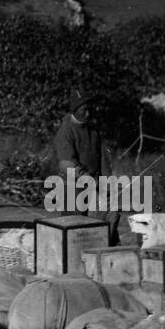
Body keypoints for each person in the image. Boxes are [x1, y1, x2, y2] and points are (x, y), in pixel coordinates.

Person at [52, 87, 118, 245]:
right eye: (84, 109)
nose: (88, 113)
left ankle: (105, 250)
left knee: (108, 216)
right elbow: (66, 163)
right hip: (73, 188)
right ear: (75, 110)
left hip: (94, 186)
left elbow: (102, 159)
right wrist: (85, 177)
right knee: (74, 228)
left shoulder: (93, 132)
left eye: (90, 109)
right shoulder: (66, 131)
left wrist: (108, 182)